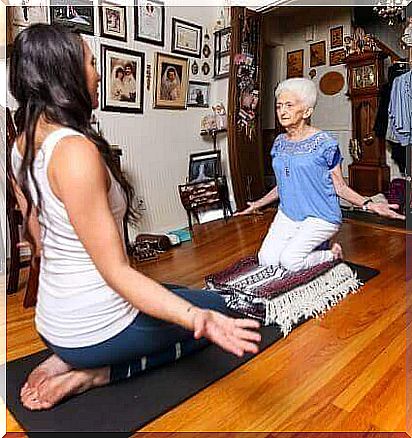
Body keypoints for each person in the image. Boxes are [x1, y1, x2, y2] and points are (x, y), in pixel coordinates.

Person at [9, 24, 261, 411]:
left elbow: (40, 244)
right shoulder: (74, 153)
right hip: (93, 330)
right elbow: (118, 272)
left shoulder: (22, 145)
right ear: (65, 74)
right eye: (91, 63)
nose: (96, 73)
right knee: (216, 311)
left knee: (177, 295)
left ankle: (70, 354)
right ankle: (92, 374)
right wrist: (204, 321)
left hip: (52, 322)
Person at [236, 78, 405, 272]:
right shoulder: (279, 143)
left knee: (290, 261)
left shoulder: (325, 144)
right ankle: (310, 244)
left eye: (289, 105)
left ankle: (331, 253)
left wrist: (369, 204)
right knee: (267, 260)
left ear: (307, 111)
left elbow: (339, 186)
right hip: (289, 214)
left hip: (321, 215)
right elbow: (284, 184)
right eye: (279, 106)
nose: (282, 111)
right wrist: (258, 204)